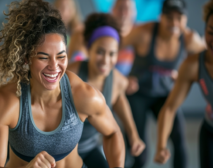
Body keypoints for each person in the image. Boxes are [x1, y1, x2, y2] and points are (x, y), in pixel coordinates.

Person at [0, 0, 125, 168]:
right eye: (43, 57)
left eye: (61, 56)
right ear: (27, 58)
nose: (54, 66)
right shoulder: (5, 101)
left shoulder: (82, 95)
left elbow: (113, 132)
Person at [122, 0, 206, 167]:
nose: (174, 23)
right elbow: (111, 47)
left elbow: (207, 58)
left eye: (179, 18)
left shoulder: (189, 38)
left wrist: (185, 72)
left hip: (164, 95)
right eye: (169, 18)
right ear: (161, 17)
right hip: (138, 95)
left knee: (179, 139)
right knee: (140, 151)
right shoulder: (144, 32)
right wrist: (122, 80)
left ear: (185, 19)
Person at [67, 13, 145, 168]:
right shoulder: (71, 75)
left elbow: (119, 100)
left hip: (89, 148)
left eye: (112, 54)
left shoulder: (117, 80)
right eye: (100, 52)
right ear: (89, 49)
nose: (106, 60)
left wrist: (133, 135)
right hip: (64, 151)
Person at [154, 1, 212, 167]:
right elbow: (170, 108)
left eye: (178, 17)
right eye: (211, 32)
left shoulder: (191, 39)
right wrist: (161, 145)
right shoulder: (193, 65)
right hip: (210, 131)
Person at [111, 0, 136, 76]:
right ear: (113, 10)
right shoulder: (105, 34)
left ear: (133, 12)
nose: (123, 13)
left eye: (127, 9)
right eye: (120, 8)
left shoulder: (140, 36)